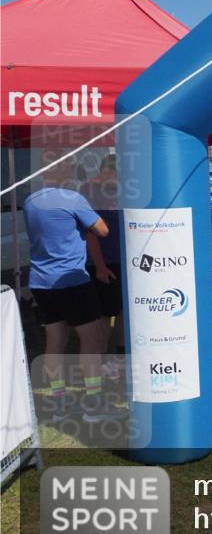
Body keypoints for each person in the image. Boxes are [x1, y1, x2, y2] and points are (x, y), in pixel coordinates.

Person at [24, 153, 124, 423]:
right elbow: (102, 230)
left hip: (40, 281)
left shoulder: (31, 200)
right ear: (62, 170)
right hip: (71, 280)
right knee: (91, 341)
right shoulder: (73, 199)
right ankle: (93, 404)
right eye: (69, 166)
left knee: (54, 341)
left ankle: (58, 405)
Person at [80, 155, 125, 363]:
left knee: (125, 309)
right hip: (104, 262)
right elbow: (90, 233)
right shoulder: (90, 191)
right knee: (105, 315)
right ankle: (102, 358)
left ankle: (122, 353)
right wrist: (99, 266)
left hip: (124, 259)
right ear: (107, 171)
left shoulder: (120, 190)